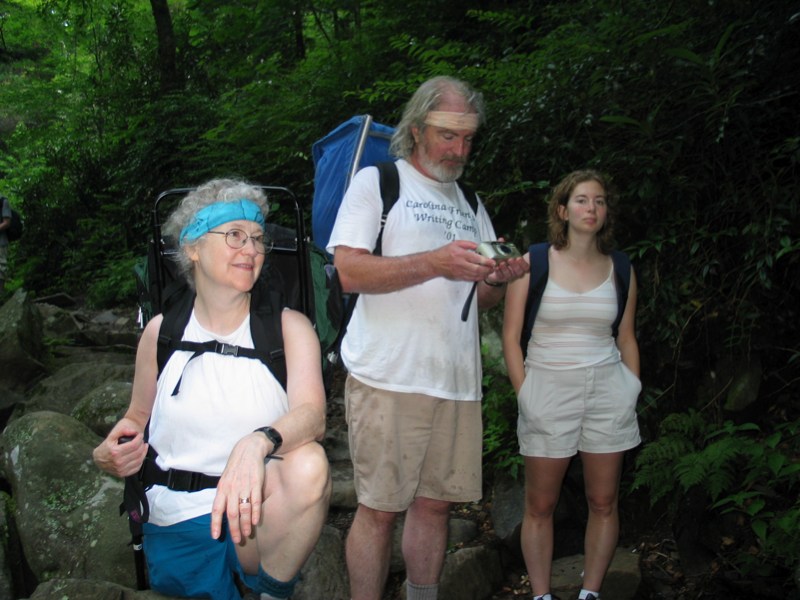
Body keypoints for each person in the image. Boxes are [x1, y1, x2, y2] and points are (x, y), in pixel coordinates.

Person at [327, 75, 528, 600]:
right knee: (379, 509)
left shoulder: (469, 200)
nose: (459, 150)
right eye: (447, 136)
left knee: (436, 505)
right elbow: (347, 271)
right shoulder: (378, 183)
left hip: (456, 380)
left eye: (467, 139)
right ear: (416, 130)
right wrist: (435, 262)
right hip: (389, 375)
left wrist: (494, 281)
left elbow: (478, 299)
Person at [93, 179, 331, 600]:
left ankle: (271, 593)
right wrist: (111, 451)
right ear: (193, 248)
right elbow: (137, 417)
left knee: (309, 464)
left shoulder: (288, 328)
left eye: (258, 238)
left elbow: (312, 416)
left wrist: (258, 443)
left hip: (252, 518)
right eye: (235, 236)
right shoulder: (161, 332)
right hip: (174, 517)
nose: (252, 250)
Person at [501, 169, 641, 600]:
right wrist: (526, 394)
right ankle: (542, 595)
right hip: (547, 387)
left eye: (599, 201)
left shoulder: (620, 267)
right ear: (563, 210)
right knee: (540, 505)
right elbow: (511, 336)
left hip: (607, 390)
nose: (591, 208)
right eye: (582, 200)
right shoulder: (534, 262)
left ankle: (590, 593)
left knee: (603, 502)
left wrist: (630, 388)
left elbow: (626, 335)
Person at [0, 194, 11, 294]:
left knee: (1, 267)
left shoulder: (3, 201)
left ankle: (1, 293)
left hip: (1, 242)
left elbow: (7, 222)